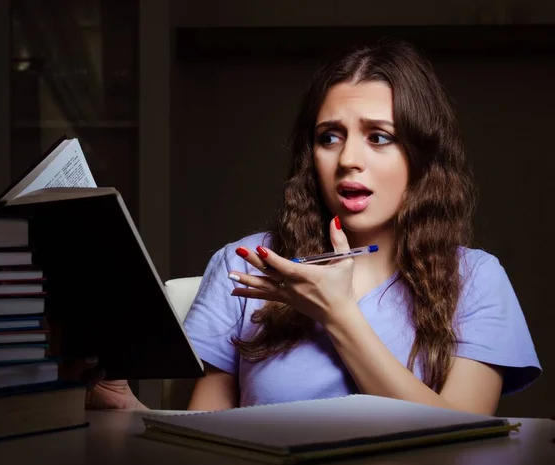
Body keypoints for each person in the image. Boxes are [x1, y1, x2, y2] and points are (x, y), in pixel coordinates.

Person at [89, 38, 541, 413]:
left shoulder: (476, 279)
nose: (348, 159)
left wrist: (339, 314)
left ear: (421, 157)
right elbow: (208, 442)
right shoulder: (247, 263)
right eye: (330, 137)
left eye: (378, 137)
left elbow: (462, 446)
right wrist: (130, 412)